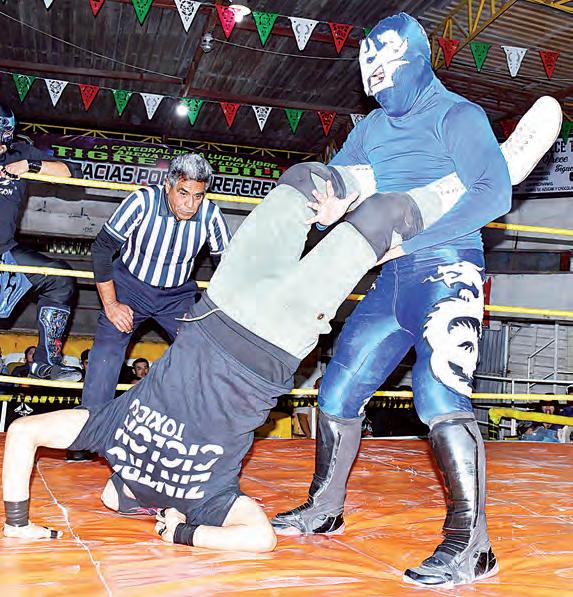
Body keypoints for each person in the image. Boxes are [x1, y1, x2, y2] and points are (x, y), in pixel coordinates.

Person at [1, 104, 556, 561]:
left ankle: (357, 186)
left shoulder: (111, 434)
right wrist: (181, 530)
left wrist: (178, 534)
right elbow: (259, 538)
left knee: (302, 181)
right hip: (271, 335)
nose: (113, 493)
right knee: (383, 218)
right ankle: (494, 172)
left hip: (221, 305)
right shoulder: (199, 497)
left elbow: (25, 435)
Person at [271, 13, 562, 588]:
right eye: (371, 77)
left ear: (413, 62)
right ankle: (324, 507)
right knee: (337, 390)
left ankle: (472, 547)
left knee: (439, 396)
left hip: (448, 268)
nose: (378, 87)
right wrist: (324, 201)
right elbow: (343, 186)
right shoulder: (371, 127)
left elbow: (494, 193)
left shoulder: (458, 115)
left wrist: (414, 238)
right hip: (392, 276)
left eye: (386, 72)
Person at [80, 152, 230, 410]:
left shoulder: (211, 215)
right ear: (168, 185)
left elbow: (226, 270)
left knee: (202, 349)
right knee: (106, 354)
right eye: (183, 193)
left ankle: (194, 421)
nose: (190, 205)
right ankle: (89, 423)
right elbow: (102, 248)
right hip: (129, 287)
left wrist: (208, 316)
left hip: (177, 297)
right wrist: (112, 304)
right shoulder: (142, 201)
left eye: (198, 196)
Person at [0, 103, 81, 382]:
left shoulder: (20, 153)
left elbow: (72, 171)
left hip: (5, 252)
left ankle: (46, 364)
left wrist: (29, 165)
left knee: (59, 277)